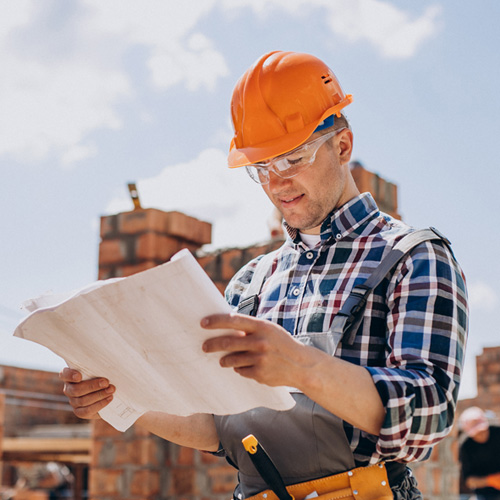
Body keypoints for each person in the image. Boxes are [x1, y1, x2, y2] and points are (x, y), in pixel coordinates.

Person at [59, 51, 468, 500]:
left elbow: (429, 412)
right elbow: (218, 427)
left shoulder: (412, 256)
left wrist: (303, 366)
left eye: (292, 159)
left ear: (343, 146)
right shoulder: (253, 281)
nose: (277, 183)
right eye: (262, 168)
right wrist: (119, 398)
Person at [459, 407, 500, 500]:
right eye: (477, 432)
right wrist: (492, 480)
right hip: (485, 495)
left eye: (483, 430)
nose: (482, 434)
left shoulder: (498, 433)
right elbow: (470, 481)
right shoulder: (466, 447)